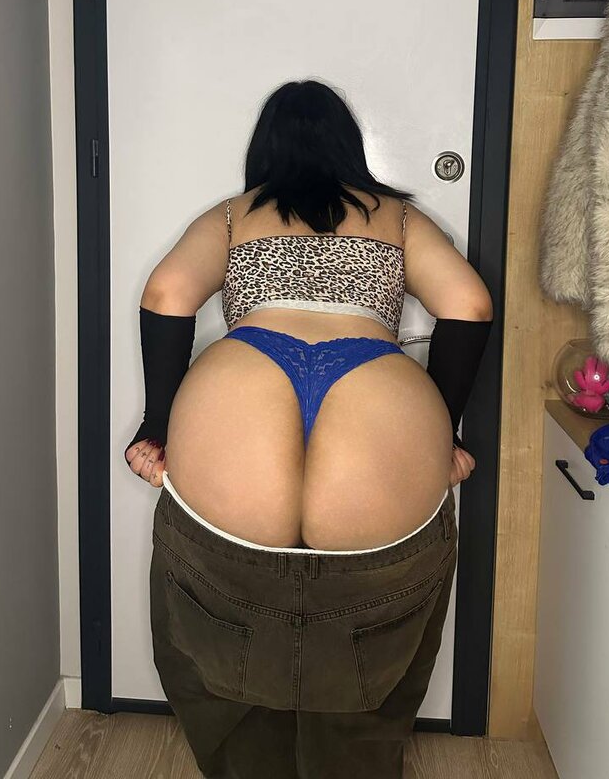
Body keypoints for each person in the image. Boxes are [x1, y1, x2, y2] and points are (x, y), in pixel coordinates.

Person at [124, 79, 493, 779]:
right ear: (348, 148)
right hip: (373, 384)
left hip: (246, 374)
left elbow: (167, 294)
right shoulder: (398, 219)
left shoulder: (233, 215)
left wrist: (159, 426)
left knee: (217, 644)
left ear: (264, 148)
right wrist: (440, 436)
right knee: (370, 661)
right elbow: (469, 304)